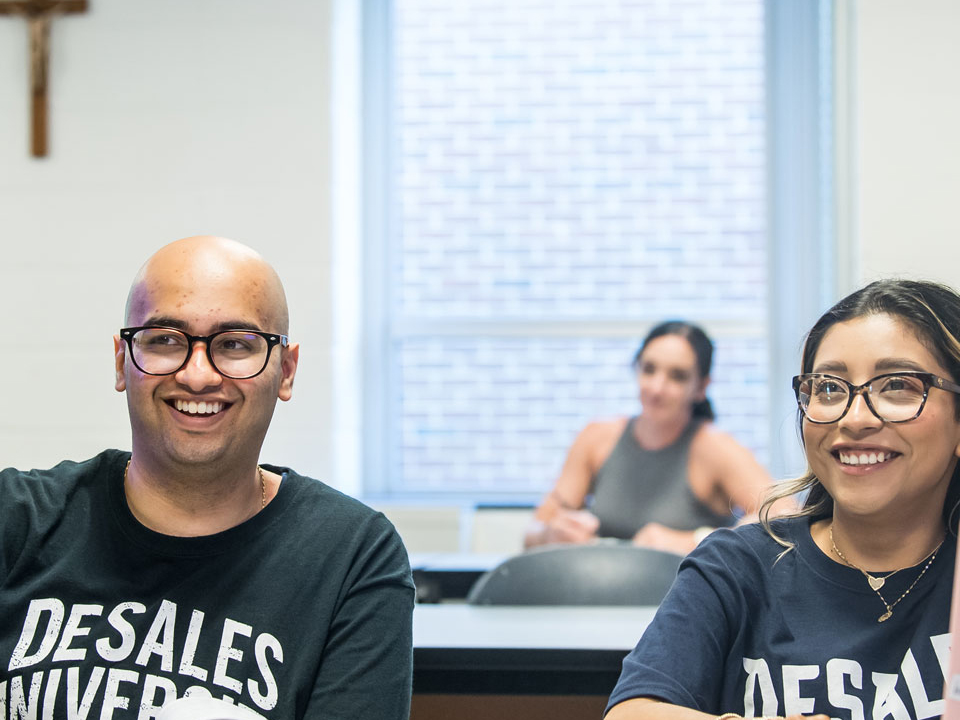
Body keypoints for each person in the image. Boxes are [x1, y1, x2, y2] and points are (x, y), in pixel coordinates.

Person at [0, 236, 415, 719]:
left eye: (236, 344)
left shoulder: (351, 555)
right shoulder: (17, 520)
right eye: (164, 340)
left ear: (286, 371)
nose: (198, 376)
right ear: (121, 360)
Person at [605, 278, 960, 720]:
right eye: (829, 387)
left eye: (897, 386)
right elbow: (632, 712)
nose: (855, 417)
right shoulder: (737, 567)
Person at [525, 320, 776, 554]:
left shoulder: (715, 447)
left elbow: (783, 515)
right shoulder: (596, 438)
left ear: (701, 387)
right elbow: (532, 533)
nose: (657, 388)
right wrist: (549, 533)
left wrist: (693, 540)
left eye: (677, 376)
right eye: (648, 369)